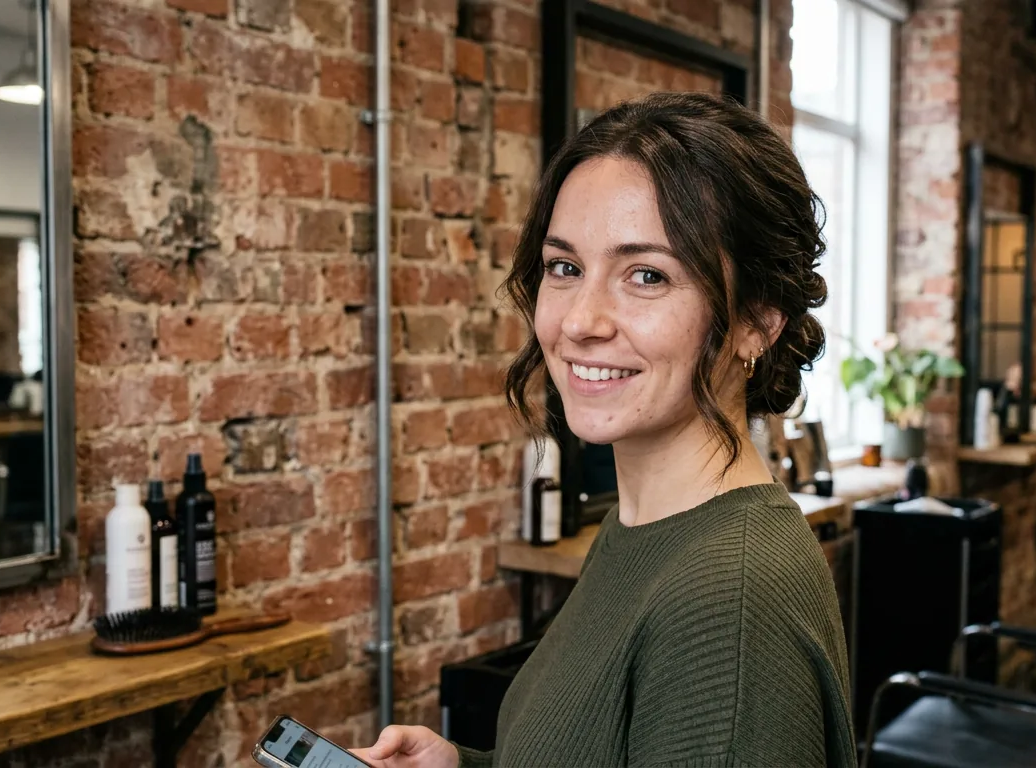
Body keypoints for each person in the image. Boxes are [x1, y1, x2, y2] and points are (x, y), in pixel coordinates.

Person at [354, 92, 855, 767]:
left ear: (756, 322)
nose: (581, 320)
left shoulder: (728, 605)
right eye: (566, 268)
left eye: (645, 275)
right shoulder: (645, 526)